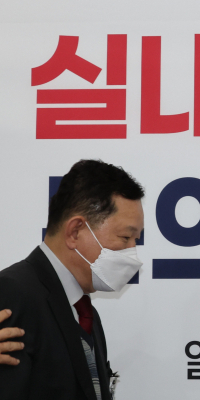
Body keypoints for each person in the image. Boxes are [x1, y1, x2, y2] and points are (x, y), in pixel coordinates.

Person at [0, 159, 145, 400]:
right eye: (125, 237)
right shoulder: (14, 294)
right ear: (75, 232)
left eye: (136, 240)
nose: (132, 252)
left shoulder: (86, 314)